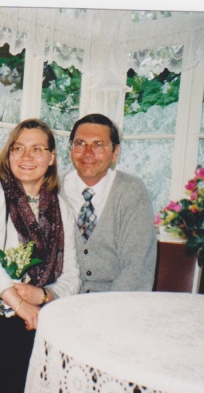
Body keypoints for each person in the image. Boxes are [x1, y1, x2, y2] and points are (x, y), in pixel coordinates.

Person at [0, 119, 80, 393]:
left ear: (51, 158)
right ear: (9, 152)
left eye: (37, 149)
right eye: (18, 148)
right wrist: (19, 303)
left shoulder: (61, 208)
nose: (26, 156)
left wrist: (43, 294)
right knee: (16, 352)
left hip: (34, 310)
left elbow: (72, 277)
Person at [63, 113, 157, 293]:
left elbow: (137, 269)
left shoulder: (131, 191)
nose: (88, 153)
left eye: (98, 145)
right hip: (61, 300)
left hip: (116, 301)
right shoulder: (53, 189)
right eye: (80, 143)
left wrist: (107, 307)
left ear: (115, 153)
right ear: (70, 149)